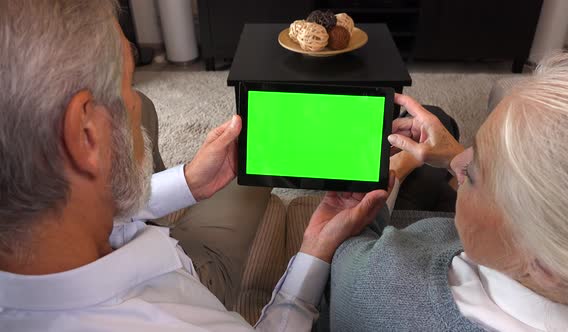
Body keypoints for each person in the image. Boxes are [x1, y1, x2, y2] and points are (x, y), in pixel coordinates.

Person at [0, 1, 390, 331]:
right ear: (86, 134)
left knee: (237, 152)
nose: (133, 102)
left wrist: (187, 182)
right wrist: (315, 251)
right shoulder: (184, 322)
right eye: (127, 87)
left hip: (139, 232)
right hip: (194, 271)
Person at [316, 52, 568, 331]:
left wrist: (382, 179)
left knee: (431, 119)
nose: (459, 161)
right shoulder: (565, 267)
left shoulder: (380, 286)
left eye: (470, 172)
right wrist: (452, 158)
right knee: (438, 120)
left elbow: (339, 247)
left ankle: (399, 167)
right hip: (441, 238)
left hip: (390, 240)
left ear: (543, 265)